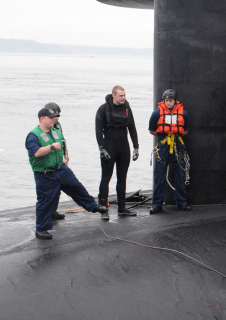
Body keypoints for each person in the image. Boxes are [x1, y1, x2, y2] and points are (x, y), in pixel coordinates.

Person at [26, 106, 108, 239]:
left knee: (77, 187)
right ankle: (41, 228)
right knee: (45, 201)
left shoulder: (55, 131)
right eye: (51, 118)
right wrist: (52, 147)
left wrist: (63, 158)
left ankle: (93, 207)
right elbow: (36, 153)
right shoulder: (33, 135)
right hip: (45, 173)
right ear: (42, 118)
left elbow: (62, 145)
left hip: (60, 168)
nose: (54, 120)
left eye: (55, 117)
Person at [95, 85, 140, 217]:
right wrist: (101, 148)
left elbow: (132, 127)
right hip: (109, 147)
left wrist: (136, 147)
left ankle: (122, 208)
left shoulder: (126, 108)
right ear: (114, 95)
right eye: (121, 95)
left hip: (123, 147)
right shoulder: (103, 109)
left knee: (122, 178)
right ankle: (103, 209)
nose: (123, 98)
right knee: (106, 178)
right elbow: (98, 130)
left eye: (124, 95)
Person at [148, 88, 191, 213]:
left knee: (180, 175)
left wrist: (175, 134)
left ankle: (182, 202)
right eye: (166, 101)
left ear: (175, 101)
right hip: (163, 147)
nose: (168, 103)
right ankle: (157, 204)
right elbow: (152, 130)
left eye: (170, 101)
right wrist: (164, 135)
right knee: (159, 175)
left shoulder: (184, 114)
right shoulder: (156, 114)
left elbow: (186, 130)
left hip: (178, 146)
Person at [43, 101, 67, 222]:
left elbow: (62, 140)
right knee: (48, 189)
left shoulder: (58, 125)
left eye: (58, 116)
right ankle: (47, 212)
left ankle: (53, 211)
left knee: (58, 187)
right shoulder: (44, 127)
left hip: (59, 159)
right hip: (49, 162)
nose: (56, 118)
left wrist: (66, 155)